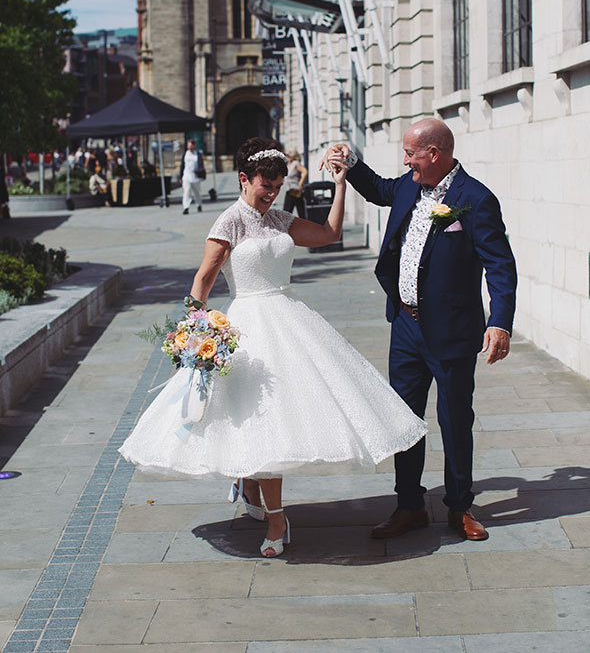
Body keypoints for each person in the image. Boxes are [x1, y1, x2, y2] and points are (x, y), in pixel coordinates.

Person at [119, 137, 426, 558]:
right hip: (247, 325)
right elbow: (204, 279)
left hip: (289, 320)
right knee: (259, 421)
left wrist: (340, 185)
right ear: (244, 179)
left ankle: (251, 485)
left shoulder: (280, 219)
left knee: (284, 418)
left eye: (277, 186)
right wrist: (194, 331)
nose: (272, 194)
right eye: (266, 186)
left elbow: (329, 234)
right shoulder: (228, 223)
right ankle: (277, 516)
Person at [321, 119, 517, 542]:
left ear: (435, 154)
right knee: (403, 420)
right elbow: (377, 189)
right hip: (406, 327)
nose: (405, 160)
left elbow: (501, 266)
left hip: (452, 331)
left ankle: (460, 507)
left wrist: (499, 321)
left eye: (411, 153)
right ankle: (409, 504)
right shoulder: (410, 185)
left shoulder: (476, 199)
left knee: (455, 420)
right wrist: (348, 159)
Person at [179, 139, 205, 215]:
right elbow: (182, 166)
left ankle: (199, 204)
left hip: (195, 177)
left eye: (191, 145)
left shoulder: (198, 154)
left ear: (194, 146)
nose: (190, 147)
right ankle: (186, 207)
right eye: (189, 145)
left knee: (197, 192)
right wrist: (180, 176)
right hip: (186, 176)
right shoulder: (185, 154)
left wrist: (198, 172)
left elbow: (201, 166)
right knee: (186, 192)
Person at [282, 150, 308, 218]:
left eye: (288, 155)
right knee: (287, 211)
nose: (286, 157)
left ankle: (304, 226)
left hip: (295, 189)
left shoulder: (296, 163)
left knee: (288, 211)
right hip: (289, 189)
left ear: (293, 156)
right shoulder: (289, 164)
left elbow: (305, 171)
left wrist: (300, 183)